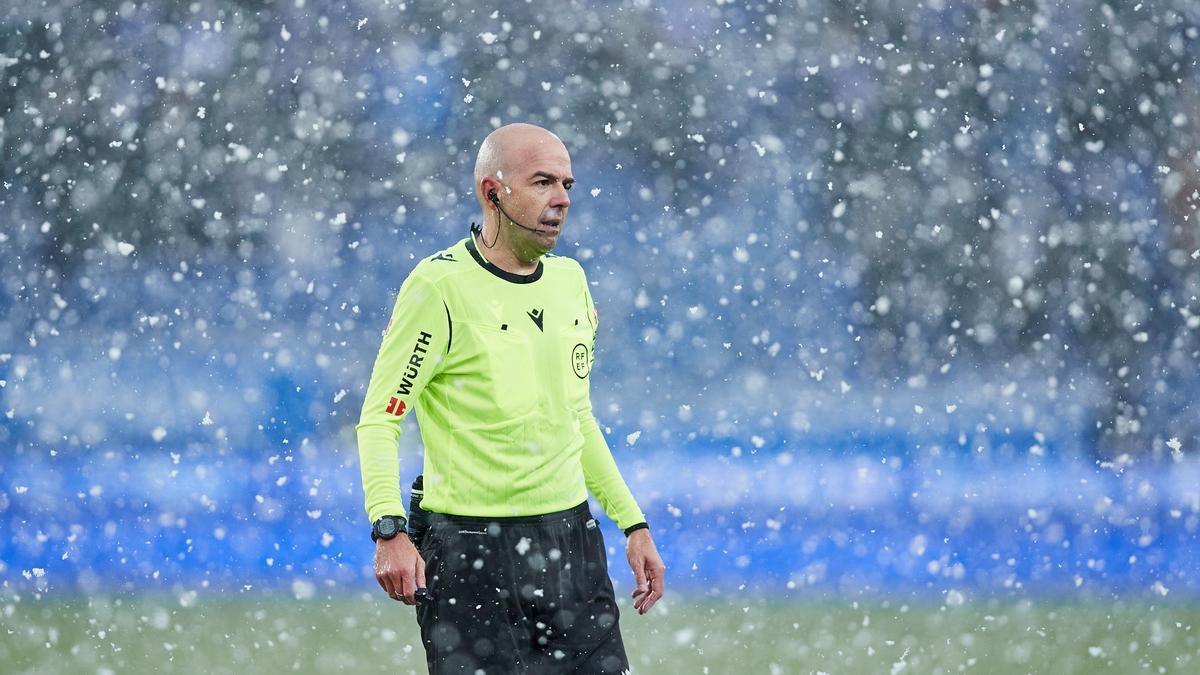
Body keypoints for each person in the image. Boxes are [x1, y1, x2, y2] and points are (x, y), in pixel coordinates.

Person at [356, 122, 666, 673]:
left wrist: (633, 524)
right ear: (492, 192)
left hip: (572, 544)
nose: (562, 200)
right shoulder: (438, 287)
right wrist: (389, 530)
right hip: (470, 552)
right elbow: (382, 418)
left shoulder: (571, 282)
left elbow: (576, 416)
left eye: (567, 184)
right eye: (543, 182)